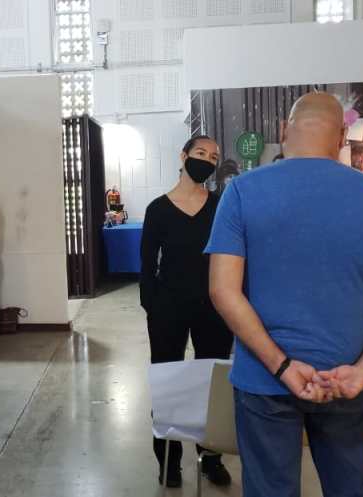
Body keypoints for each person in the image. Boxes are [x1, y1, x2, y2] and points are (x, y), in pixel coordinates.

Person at [206, 93, 363, 497]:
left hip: (265, 379)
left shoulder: (242, 192)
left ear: (283, 130)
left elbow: (223, 290)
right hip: (346, 377)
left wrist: (282, 366)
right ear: (342, 136)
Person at [140, 136, 234, 488]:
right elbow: (147, 265)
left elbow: (232, 256)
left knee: (213, 382)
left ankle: (210, 456)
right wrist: (153, 305)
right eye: (200, 153)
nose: (207, 161)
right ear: (183, 156)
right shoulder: (158, 209)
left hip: (213, 306)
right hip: (169, 307)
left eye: (213, 157)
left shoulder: (221, 206)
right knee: (168, 382)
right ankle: (169, 459)